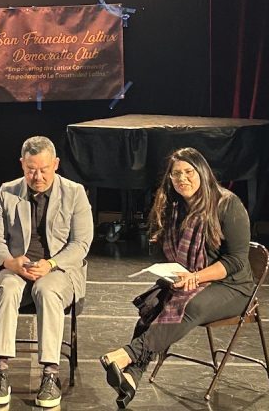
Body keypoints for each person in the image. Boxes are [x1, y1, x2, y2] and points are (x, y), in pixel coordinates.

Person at [100, 147, 254, 408]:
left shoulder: (228, 204)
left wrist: (197, 276)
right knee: (153, 305)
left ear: (202, 172)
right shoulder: (176, 207)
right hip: (195, 280)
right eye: (176, 174)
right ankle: (131, 377)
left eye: (188, 172)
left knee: (189, 305)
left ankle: (129, 354)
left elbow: (236, 260)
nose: (182, 179)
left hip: (233, 287)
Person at [0, 136, 94, 408]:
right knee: (8, 287)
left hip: (59, 269)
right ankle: (1, 371)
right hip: (18, 266)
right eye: (31, 169)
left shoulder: (75, 192)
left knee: (46, 289)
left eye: (44, 169)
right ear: (22, 165)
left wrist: (51, 264)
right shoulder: (7, 192)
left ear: (56, 164)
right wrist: (11, 263)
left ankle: (50, 374)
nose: (38, 176)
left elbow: (81, 244)